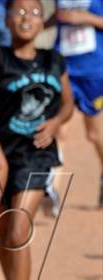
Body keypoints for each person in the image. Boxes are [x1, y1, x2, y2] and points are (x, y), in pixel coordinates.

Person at [0, 0, 74, 280]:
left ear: (43, 19)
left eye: (34, 11)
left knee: (18, 230)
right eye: (18, 11)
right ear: (6, 18)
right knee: (4, 234)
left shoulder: (53, 59)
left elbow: (68, 103)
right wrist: (0, 165)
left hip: (37, 155)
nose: (26, 18)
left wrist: (56, 122)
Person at [54, 0, 103, 206]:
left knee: (94, 134)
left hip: (93, 70)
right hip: (64, 69)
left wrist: (86, 18)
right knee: (59, 130)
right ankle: (51, 190)